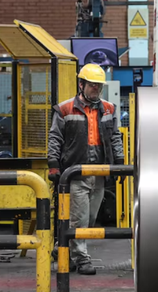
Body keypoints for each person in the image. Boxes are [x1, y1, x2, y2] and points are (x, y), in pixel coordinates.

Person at [48, 63, 125, 275]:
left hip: (99, 174)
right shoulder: (65, 109)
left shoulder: (108, 109)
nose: (96, 89)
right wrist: (53, 164)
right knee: (80, 219)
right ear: (81, 85)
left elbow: (115, 136)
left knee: (89, 219)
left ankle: (61, 247)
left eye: (99, 85)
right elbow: (55, 138)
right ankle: (82, 259)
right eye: (92, 85)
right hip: (74, 173)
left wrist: (119, 162)